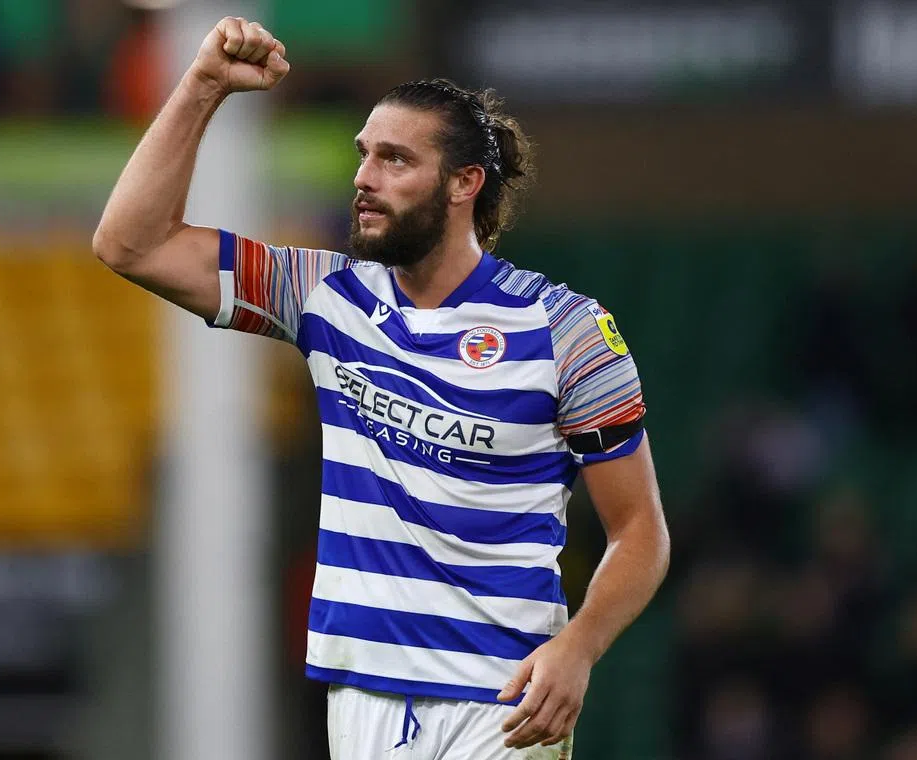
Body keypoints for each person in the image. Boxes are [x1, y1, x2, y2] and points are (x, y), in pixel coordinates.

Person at [94, 16, 671, 759]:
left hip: (502, 696)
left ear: (465, 184)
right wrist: (203, 86)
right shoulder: (325, 296)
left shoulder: (567, 331)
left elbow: (640, 531)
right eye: (364, 156)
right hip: (360, 695)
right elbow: (129, 243)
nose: (365, 177)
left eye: (396, 160)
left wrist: (580, 647)